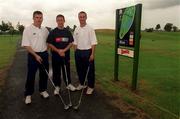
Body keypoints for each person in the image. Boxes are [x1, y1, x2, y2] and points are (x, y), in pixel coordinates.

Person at [21, 11, 49, 105]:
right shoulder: (28, 29)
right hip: (33, 55)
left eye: (40, 17)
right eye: (37, 17)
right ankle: (28, 94)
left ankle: (43, 90)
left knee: (44, 74)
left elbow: (48, 42)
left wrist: (46, 51)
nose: (39, 19)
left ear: (42, 18)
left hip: (44, 54)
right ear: (33, 18)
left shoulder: (45, 30)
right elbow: (26, 45)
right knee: (31, 75)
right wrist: (36, 55)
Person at [47, 14, 76, 95]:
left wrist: (64, 50)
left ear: (64, 21)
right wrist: (58, 51)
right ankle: (57, 86)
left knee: (66, 70)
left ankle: (68, 84)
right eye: (58, 20)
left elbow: (71, 43)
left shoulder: (68, 32)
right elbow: (49, 43)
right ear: (56, 21)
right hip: (56, 55)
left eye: (61, 20)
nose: (60, 21)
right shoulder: (53, 32)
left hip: (65, 55)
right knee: (56, 71)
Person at [73, 11, 98, 95]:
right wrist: (75, 52)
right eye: (80, 17)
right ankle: (82, 84)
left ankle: (90, 86)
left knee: (90, 70)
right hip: (78, 52)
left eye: (83, 17)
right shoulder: (76, 29)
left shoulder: (90, 28)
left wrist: (92, 54)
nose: (82, 18)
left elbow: (93, 42)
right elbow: (75, 42)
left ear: (86, 18)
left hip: (88, 51)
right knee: (80, 69)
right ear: (78, 18)